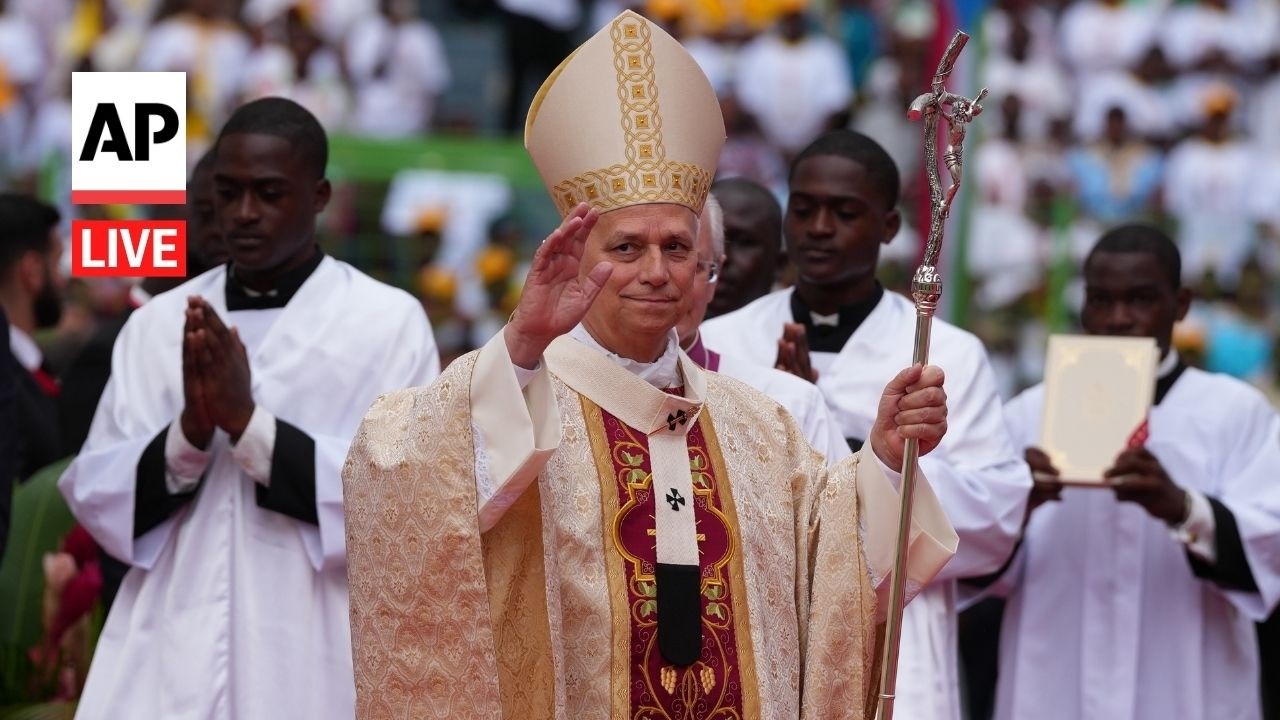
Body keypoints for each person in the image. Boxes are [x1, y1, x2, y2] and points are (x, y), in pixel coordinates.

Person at [343, 12, 957, 718]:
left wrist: (880, 460)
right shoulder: (523, 399)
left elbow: (837, 582)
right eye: (627, 248)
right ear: (575, 256)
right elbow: (401, 482)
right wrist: (519, 346)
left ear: (704, 262)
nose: (657, 272)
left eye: (676, 246)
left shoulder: (760, 427)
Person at [58, 97, 441, 719]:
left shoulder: (385, 323)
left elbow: (405, 498)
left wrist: (249, 426)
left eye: (268, 193)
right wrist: (189, 432)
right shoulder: (156, 327)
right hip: (167, 632)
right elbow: (102, 496)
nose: (243, 214)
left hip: (312, 636)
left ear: (318, 195)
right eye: (227, 192)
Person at [701, 129, 1028, 720]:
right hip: (759, 618)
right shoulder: (724, 341)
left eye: (844, 212)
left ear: (888, 226)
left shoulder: (945, 354)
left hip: (899, 631)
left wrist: (853, 444)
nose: (819, 227)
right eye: (804, 209)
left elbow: (998, 513)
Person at [984, 224, 1280, 720]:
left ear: (1180, 305)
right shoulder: (1030, 414)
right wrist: (1019, 503)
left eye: (1140, 299)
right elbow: (970, 555)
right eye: (1101, 300)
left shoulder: (1235, 412)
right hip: (1054, 673)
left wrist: (1185, 508)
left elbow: (1270, 545)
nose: (1118, 318)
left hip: (1185, 681)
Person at [680, 192, 847, 461]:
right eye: (628, 250)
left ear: (715, 273)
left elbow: (847, 501)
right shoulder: (585, 389)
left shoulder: (788, 403)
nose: (658, 275)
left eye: (692, 265)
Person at [0, 193, 65, 482]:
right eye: (57, 263)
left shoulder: (31, 368)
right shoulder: (12, 379)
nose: (63, 281)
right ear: (32, 272)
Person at [705, 177, 784, 319]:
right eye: (709, 237)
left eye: (744, 242)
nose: (721, 256)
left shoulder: (795, 335)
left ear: (779, 264)